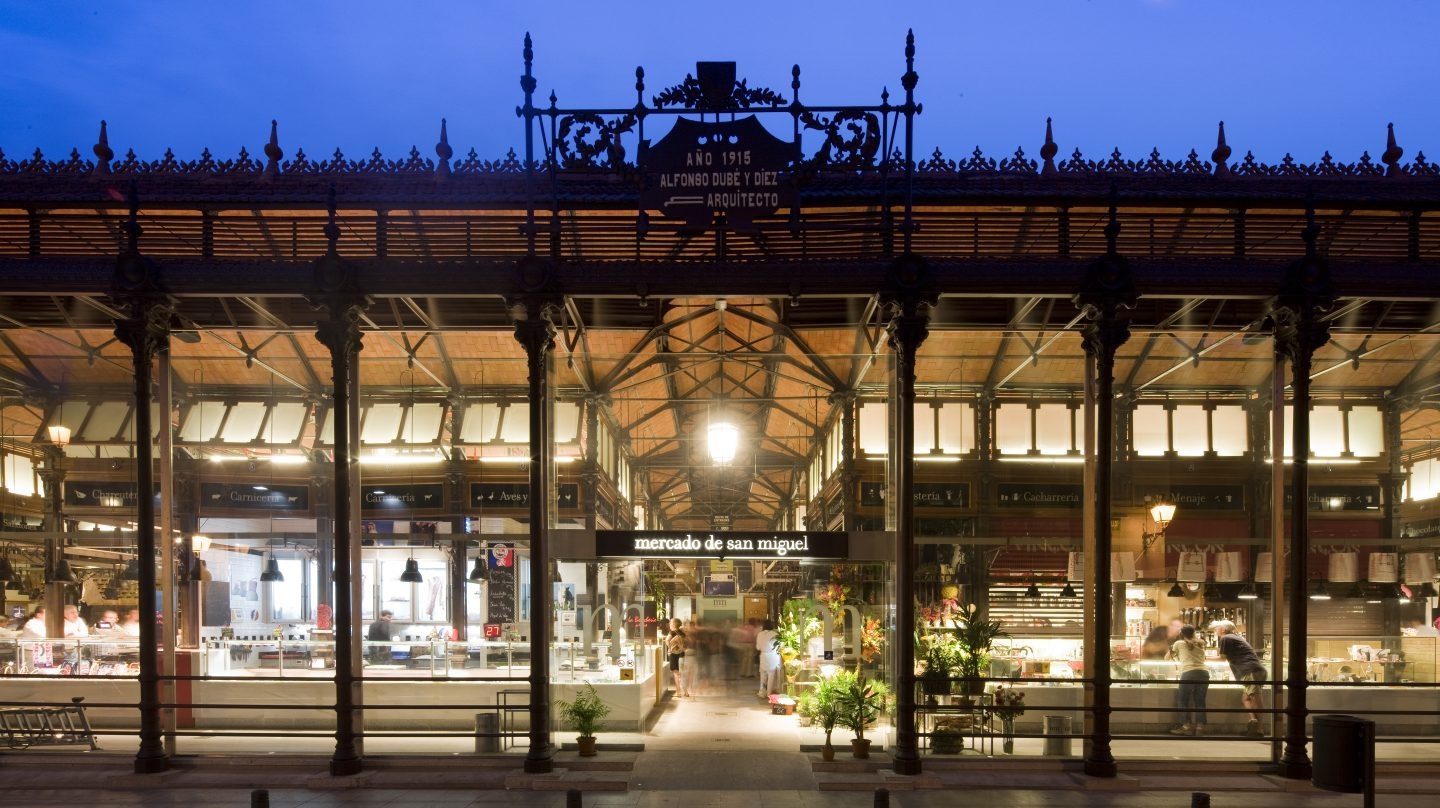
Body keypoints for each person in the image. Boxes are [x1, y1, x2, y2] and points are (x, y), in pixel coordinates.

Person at [1211, 619, 1265, 738]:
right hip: (1253, 670)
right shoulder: (1234, 637)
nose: (1215, 630)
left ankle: (1260, 730)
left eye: (1217, 628)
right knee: (1246, 698)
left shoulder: (1226, 638)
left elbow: (1222, 658)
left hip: (1250, 670)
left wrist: (1202, 658)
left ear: (1224, 629)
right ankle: (1253, 722)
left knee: (1255, 699)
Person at [1169, 624, 1208, 736]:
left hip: (1189, 673)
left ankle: (1186, 727)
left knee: (1183, 700)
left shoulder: (1178, 643)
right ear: (1194, 633)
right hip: (1204, 673)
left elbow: (1167, 657)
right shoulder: (1201, 644)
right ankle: (1200, 728)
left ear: (1181, 634)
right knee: (1200, 701)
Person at [755, 618, 781, 697]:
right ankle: (769, 693)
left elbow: (758, 647)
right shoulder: (774, 634)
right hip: (773, 656)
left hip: (763, 656)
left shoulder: (760, 634)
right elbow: (779, 646)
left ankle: (762, 692)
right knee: (771, 675)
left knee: (763, 675)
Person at [665, 618, 687, 697]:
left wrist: (670, 648)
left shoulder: (672, 632)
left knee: (676, 674)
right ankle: (686, 691)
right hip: (682, 653)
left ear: (674, 624)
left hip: (674, 655)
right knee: (683, 673)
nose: (669, 625)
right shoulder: (682, 633)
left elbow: (667, 640)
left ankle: (678, 692)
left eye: (670, 623)